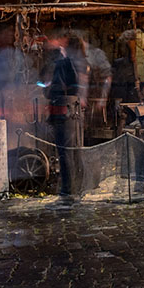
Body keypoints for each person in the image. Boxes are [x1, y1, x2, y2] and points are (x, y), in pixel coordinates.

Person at [42, 34, 82, 199]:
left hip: (62, 109)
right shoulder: (68, 63)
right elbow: (74, 86)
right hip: (69, 108)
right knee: (71, 152)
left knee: (65, 152)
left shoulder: (58, 64)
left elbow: (48, 86)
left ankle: (68, 190)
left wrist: (45, 86)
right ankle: (73, 187)